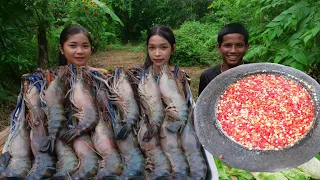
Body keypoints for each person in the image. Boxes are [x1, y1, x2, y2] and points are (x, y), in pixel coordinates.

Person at [198, 23, 250, 95]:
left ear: (246, 47)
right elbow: (204, 104)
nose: (233, 51)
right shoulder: (208, 76)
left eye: (239, 45)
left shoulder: (256, 73)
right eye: (227, 45)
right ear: (219, 47)